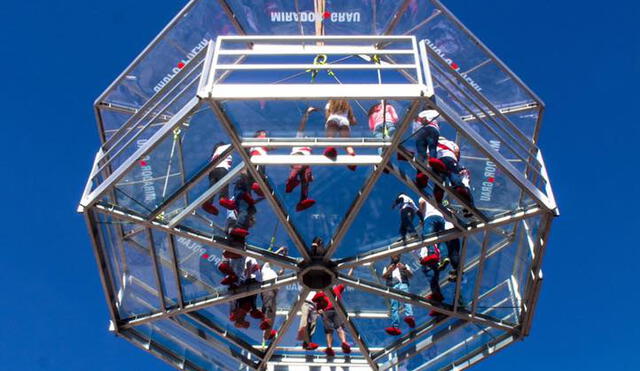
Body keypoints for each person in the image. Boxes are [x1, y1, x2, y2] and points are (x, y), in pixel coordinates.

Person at [418, 197, 446, 316]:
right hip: (441, 219)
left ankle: (435, 256)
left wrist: (423, 215)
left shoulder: (424, 197)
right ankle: (436, 299)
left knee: (429, 238)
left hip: (431, 217)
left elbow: (422, 202)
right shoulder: (437, 201)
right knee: (432, 277)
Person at [286, 107, 317, 212]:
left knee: (306, 179)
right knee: (299, 167)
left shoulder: (309, 149)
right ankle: (291, 180)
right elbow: (302, 126)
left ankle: (303, 200)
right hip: (298, 156)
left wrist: (310, 175)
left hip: (304, 162)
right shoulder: (300, 137)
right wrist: (307, 113)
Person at [312, 284, 351, 356]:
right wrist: (319, 311)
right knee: (331, 329)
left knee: (337, 328)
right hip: (328, 311)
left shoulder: (335, 290)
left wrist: (351, 272)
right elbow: (316, 303)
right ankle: (331, 347)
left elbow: (344, 283)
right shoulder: (322, 294)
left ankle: (343, 343)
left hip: (333, 310)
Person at [382, 254, 415, 336]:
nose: (395, 256)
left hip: (402, 283)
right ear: (391, 256)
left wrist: (403, 268)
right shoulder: (387, 267)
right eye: (394, 255)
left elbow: (411, 275)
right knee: (394, 307)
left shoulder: (404, 264)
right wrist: (389, 270)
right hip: (392, 286)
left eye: (397, 255)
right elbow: (383, 277)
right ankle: (395, 326)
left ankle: (410, 317)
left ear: (400, 256)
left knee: (407, 300)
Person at [260, 246, 287, 341]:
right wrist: (279, 250)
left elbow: (282, 271)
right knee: (269, 307)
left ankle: (267, 333)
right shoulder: (265, 268)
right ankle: (265, 325)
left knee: (272, 311)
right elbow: (272, 257)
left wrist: (284, 256)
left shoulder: (274, 273)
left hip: (273, 292)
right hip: (268, 289)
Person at [323, 99, 357, 171]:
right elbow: (352, 119)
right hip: (344, 122)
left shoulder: (330, 103)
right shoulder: (347, 105)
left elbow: (327, 115)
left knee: (330, 136)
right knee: (346, 141)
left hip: (333, 119)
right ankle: (351, 154)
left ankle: (330, 148)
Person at [202, 142, 233, 216]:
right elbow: (234, 143)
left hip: (212, 172)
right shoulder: (222, 148)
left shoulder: (214, 155)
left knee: (212, 187)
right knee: (224, 184)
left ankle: (208, 201)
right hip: (222, 168)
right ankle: (223, 198)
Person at [413, 109, 441, 188]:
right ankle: (432, 162)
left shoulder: (420, 113)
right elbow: (442, 118)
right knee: (432, 147)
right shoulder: (435, 112)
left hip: (421, 131)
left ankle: (420, 174)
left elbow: (415, 128)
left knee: (421, 153)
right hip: (433, 128)